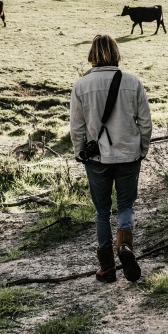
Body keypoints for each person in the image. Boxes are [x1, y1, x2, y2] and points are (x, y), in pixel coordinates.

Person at [70, 34, 152, 283]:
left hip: (97, 159)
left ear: (92, 54)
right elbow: (145, 123)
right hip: (128, 155)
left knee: (102, 211)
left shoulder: (81, 85)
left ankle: (106, 269)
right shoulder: (132, 82)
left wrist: (79, 152)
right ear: (117, 53)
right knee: (126, 206)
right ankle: (125, 246)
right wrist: (143, 149)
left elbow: (77, 128)